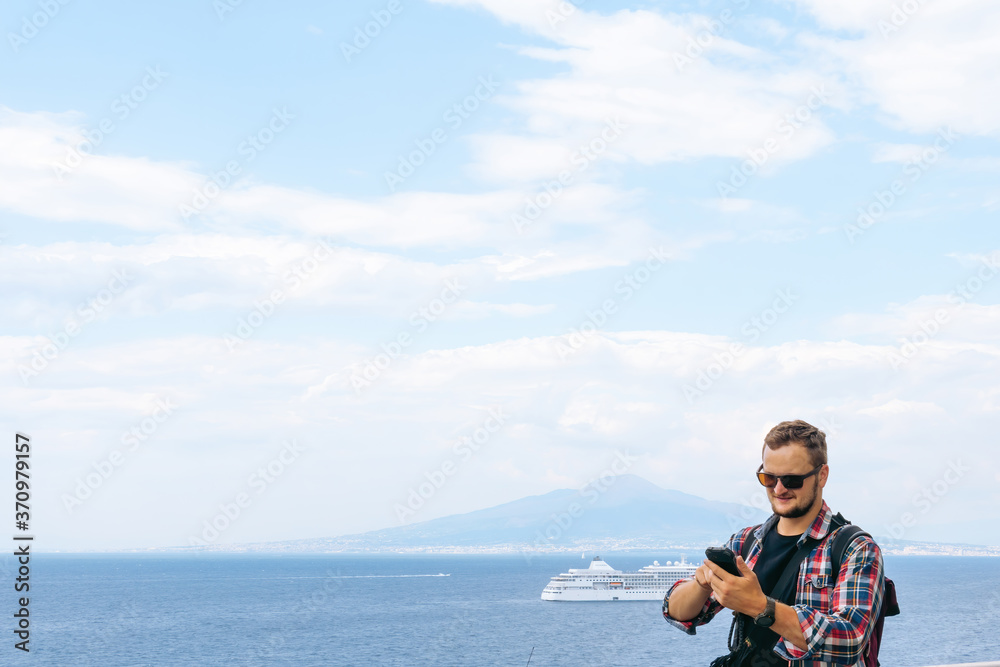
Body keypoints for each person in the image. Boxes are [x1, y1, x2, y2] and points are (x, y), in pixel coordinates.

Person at [662, 420, 885, 666]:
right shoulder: (745, 543)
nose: (779, 489)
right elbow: (678, 613)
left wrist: (760, 606)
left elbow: (850, 639)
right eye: (769, 478)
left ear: (822, 475)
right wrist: (702, 585)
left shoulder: (854, 548)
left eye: (792, 480)